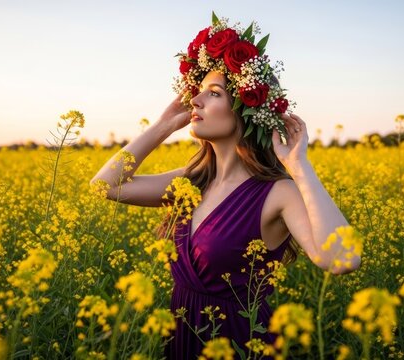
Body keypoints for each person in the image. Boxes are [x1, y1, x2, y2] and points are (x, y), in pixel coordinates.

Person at [90, 13, 360, 359]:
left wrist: (299, 166)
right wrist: (161, 126)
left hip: (239, 345)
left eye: (213, 93)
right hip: (182, 341)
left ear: (247, 111)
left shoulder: (277, 193)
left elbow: (341, 257)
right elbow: (104, 186)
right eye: (198, 93)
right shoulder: (190, 181)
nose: (196, 102)